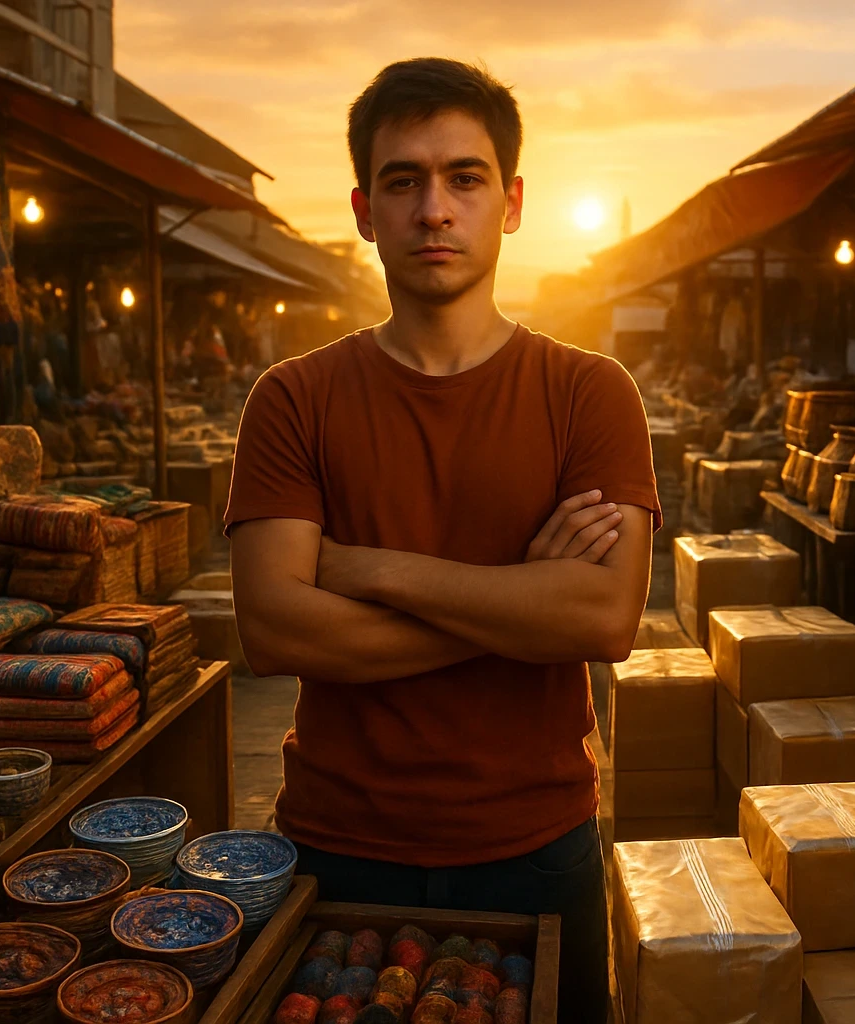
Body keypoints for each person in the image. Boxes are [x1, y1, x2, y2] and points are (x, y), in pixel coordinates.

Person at [224, 58, 658, 1022]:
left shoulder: (590, 392)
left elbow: (604, 616)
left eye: (464, 178)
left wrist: (367, 568)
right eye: (403, 180)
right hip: (339, 842)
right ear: (364, 208)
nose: (434, 210)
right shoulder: (294, 399)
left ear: (509, 204)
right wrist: (519, 599)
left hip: (536, 843)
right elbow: (277, 632)